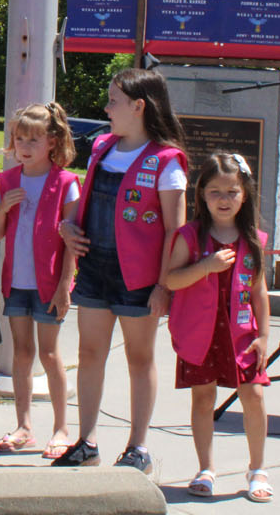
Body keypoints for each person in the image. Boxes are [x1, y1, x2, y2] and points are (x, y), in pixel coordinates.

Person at [53, 68, 187, 474]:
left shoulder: (167, 161)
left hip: (140, 280)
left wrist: (164, 286)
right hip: (95, 270)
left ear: (138, 106)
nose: (107, 108)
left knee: (139, 359)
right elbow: (82, 204)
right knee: (89, 353)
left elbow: (174, 231)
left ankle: (138, 446)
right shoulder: (102, 148)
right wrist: (67, 227)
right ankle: (86, 441)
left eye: (113, 101)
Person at [164, 151, 272, 503]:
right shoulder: (190, 237)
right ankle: (206, 469)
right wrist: (206, 266)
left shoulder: (253, 240)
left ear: (245, 194)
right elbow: (172, 279)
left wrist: (264, 336)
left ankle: (257, 469)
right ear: (201, 195)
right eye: (215, 192)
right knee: (203, 396)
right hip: (201, 334)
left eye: (232, 192)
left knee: (253, 396)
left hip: (241, 336)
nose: (223, 200)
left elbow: (259, 291)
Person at [0, 103, 80, 459]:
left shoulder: (66, 183)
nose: (25, 146)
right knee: (21, 354)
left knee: (50, 353)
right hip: (16, 283)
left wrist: (64, 287)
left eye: (34, 139)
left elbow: (72, 240)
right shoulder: (7, 180)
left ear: (52, 142)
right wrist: (3, 208)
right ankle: (24, 426)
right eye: (20, 138)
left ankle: (61, 429)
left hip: (50, 283)